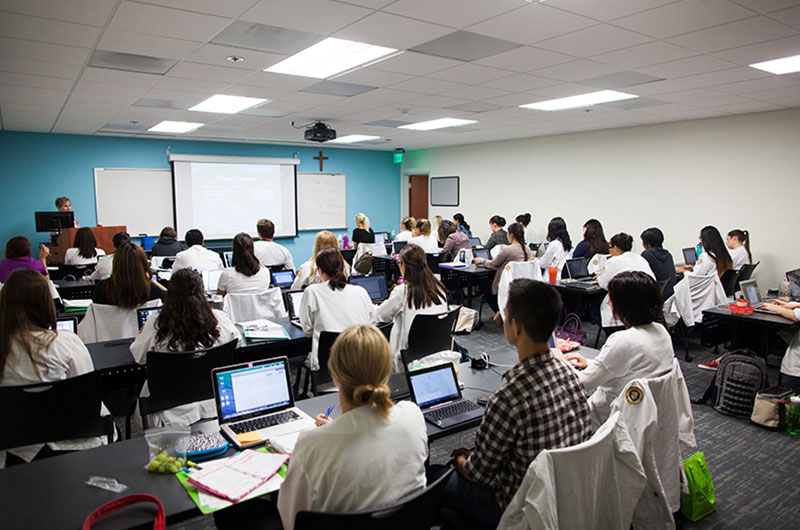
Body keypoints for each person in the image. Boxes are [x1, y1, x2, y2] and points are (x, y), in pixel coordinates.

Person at [442, 279, 592, 528]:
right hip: (564, 496)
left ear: (516, 327)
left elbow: (478, 474)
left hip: (518, 505)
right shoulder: (570, 375)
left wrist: (459, 460)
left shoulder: (508, 398)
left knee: (437, 478)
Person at [277, 324, 428, 530]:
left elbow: (291, 521)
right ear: (387, 371)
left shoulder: (311, 446)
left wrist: (330, 435)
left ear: (333, 376)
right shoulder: (412, 416)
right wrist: (334, 431)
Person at [0, 269, 108, 467]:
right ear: (46, 303)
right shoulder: (68, 343)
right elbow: (86, 394)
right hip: (70, 444)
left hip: (13, 450)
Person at [131, 268, 240, 427]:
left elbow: (138, 357)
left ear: (169, 294)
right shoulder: (220, 319)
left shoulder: (155, 324)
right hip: (214, 403)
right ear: (203, 293)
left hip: (168, 409)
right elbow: (237, 343)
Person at [565, 271, 674, 425]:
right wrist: (591, 363)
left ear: (625, 304)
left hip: (609, 418)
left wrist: (559, 362)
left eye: (611, 298)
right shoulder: (660, 330)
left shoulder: (623, 340)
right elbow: (630, 366)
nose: (608, 303)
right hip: (645, 415)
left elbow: (582, 383)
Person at [299, 248, 375, 371]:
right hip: (361, 362)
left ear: (319, 270)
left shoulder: (312, 292)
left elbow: (307, 330)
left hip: (326, 366)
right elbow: (371, 323)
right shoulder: (360, 291)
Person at [376, 244, 448, 367]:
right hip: (438, 355)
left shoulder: (403, 291)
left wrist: (375, 307)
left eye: (399, 262)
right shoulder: (439, 288)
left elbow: (380, 316)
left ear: (404, 265)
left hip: (409, 360)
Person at [474, 223, 530, 323]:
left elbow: (492, 264)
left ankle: (499, 312)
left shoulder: (508, 250)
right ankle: (501, 313)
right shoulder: (527, 249)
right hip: (520, 283)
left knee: (483, 286)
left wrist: (482, 260)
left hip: (505, 283)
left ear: (511, 235)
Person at [92, 243, 166, 307]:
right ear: (143, 265)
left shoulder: (101, 289)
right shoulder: (152, 290)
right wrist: (150, 279)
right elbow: (169, 297)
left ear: (116, 263)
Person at [762, 300, 800, 392]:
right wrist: (795, 305)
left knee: (788, 398)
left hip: (796, 372)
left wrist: (777, 309)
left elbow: (795, 316)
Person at [640, 227, 676, 299]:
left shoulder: (646, 254)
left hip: (655, 298)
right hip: (669, 297)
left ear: (647, 243)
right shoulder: (668, 254)